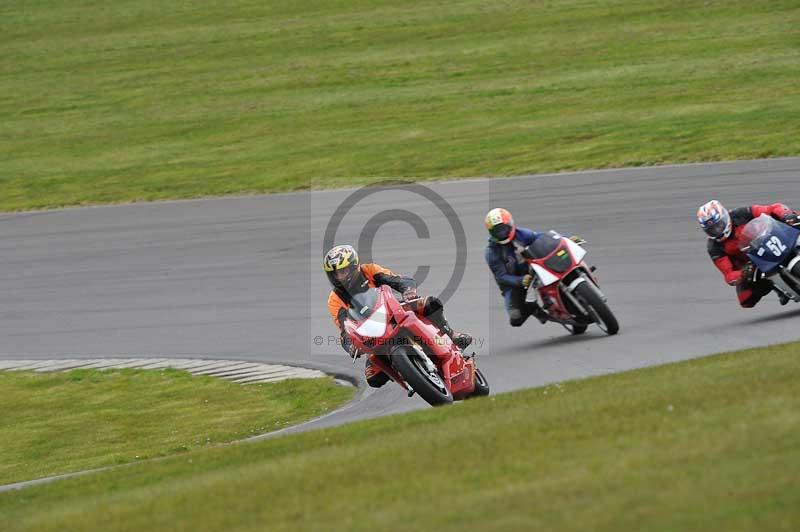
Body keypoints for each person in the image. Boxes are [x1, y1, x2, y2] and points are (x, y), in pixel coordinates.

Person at [324, 244, 472, 388]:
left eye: (343, 271)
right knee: (373, 378)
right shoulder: (334, 299)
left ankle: (450, 334)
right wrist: (351, 345)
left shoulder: (369, 270)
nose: (340, 277)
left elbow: (397, 279)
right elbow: (344, 328)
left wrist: (407, 290)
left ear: (353, 266)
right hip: (371, 334)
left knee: (429, 303)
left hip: (393, 310)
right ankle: (405, 370)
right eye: (336, 273)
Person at [484, 208, 583, 327]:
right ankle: (536, 310)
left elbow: (544, 237)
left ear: (510, 224)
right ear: (491, 232)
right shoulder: (492, 253)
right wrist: (521, 280)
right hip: (514, 283)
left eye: (504, 228)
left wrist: (566, 239)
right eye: (497, 231)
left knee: (561, 264)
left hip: (534, 267)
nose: (502, 233)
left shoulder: (521, 234)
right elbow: (501, 276)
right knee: (516, 318)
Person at [697, 199, 799, 308]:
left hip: (772, 237)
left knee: (795, 219)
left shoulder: (741, 213)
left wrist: (786, 215)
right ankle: (777, 287)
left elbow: (772, 208)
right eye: (712, 230)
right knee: (745, 298)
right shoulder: (714, 247)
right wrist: (743, 273)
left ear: (725, 216)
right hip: (754, 263)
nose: (717, 230)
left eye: (719, 225)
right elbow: (729, 275)